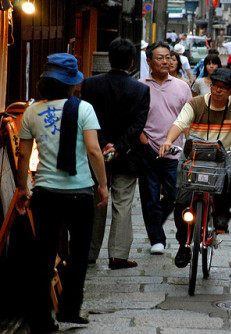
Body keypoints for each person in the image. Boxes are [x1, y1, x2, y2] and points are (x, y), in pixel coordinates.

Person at [15, 53, 108, 332]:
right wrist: (102, 185)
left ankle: (40, 319)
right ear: (71, 84)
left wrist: (22, 188)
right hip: (80, 193)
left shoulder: (31, 111)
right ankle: (69, 310)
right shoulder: (84, 109)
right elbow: (93, 150)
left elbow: (23, 154)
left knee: (42, 256)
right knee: (78, 254)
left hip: (45, 193)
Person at [159, 68, 231, 268]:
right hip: (194, 157)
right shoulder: (195, 104)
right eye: (215, 86)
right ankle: (184, 244)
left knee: (229, 177)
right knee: (181, 203)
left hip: (221, 158)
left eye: (224, 88)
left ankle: (221, 215)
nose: (218, 90)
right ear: (210, 85)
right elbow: (180, 123)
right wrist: (168, 140)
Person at [82, 37, 150, 270]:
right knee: (122, 204)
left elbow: (88, 120)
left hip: (95, 152)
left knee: (96, 200)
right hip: (127, 155)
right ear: (132, 62)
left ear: (109, 59)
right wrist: (118, 147)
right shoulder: (141, 89)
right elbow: (138, 125)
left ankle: (89, 253)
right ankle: (118, 256)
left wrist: (102, 145)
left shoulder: (90, 85)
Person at [139, 41, 193, 255]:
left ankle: (155, 221)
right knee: (150, 196)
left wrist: (190, 147)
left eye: (168, 57)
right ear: (149, 61)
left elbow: (188, 119)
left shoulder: (181, 86)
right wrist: (144, 142)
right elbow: (135, 119)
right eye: (160, 58)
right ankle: (157, 238)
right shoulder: (141, 86)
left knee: (176, 194)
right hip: (148, 149)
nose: (165, 61)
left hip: (175, 152)